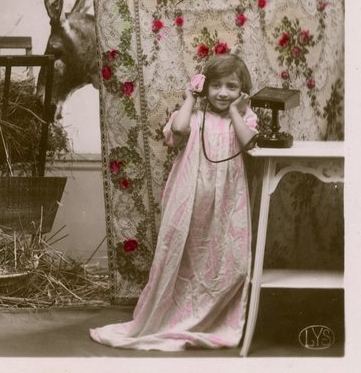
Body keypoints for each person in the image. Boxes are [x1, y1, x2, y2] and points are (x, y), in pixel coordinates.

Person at [90, 53, 258, 351]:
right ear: (204, 86)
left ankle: (212, 318)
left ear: (242, 91)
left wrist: (236, 111)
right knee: (183, 254)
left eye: (231, 87)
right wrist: (190, 97)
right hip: (189, 197)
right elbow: (177, 132)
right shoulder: (193, 116)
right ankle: (174, 316)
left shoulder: (243, 118)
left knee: (225, 257)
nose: (222, 93)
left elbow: (248, 143)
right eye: (216, 85)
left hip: (227, 202)